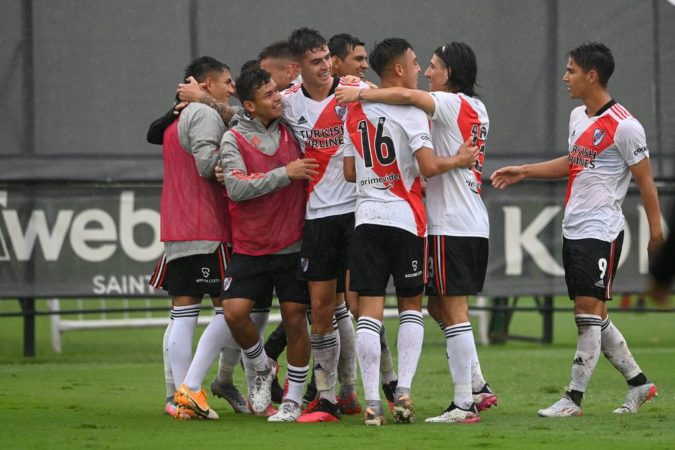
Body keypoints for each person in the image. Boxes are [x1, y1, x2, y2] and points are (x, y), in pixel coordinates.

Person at [491, 42, 662, 417]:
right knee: (594, 314)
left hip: (601, 230)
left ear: (592, 75)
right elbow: (575, 162)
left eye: (571, 71)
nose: (565, 77)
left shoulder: (626, 126)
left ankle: (573, 398)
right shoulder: (577, 117)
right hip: (574, 227)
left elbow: (646, 183)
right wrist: (525, 171)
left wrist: (656, 234)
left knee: (586, 311)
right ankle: (638, 383)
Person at [336, 41, 497, 424]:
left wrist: (360, 92)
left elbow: (406, 102)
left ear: (451, 73)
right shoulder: (477, 108)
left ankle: (462, 402)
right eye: (419, 64)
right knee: (435, 307)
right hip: (459, 218)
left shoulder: (435, 104)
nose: (426, 71)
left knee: (445, 311)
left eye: (434, 66)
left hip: (441, 221)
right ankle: (473, 385)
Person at [217, 68, 319, 422]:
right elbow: (236, 188)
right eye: (268, 94)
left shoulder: (292, 127)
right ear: (249, 105)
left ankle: (292, 399)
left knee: (295, 320)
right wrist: (284, 174)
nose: (277, 98)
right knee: (233, 312)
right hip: (250, 245)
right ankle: (260, 367)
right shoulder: (234, 139)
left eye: (277, 90)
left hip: (293, 243)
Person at [148, 56, 237, 419]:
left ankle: (178, 397)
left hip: (178, 226)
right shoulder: (202, 114)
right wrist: (235, 159)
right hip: (206, 227)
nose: (232, 88)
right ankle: (191, 389)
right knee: (234, 309)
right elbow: (206, 166)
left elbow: (155, 133)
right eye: (227, 81)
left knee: (182, 317)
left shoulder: (176, 119)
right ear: (205, 84)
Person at [278, 27, 357, 423]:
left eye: (327, 57)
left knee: (362, 305)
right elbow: (248, 115)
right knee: (322, 308)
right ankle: (326, 397)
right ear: (297, 68)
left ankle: (367, 391)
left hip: (360, 213)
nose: (325, 66)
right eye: (315, 61)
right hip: (319, 217)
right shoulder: (289, 102)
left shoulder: (355, 89)